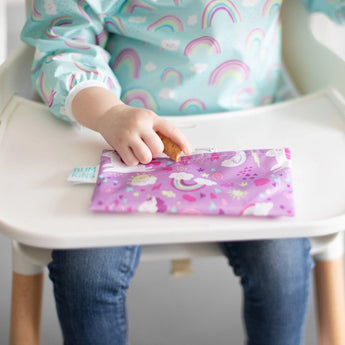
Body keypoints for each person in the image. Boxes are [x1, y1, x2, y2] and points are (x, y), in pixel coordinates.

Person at [21, 1, 344, 344]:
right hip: (130, 140)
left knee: (283, 266)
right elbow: (63, 43)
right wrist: (108, 114)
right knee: (85, 273)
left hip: (252, 133)